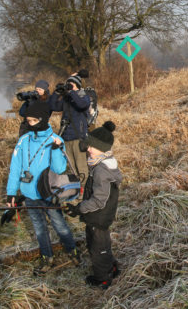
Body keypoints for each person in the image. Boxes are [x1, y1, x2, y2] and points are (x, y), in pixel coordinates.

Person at [6, 101, 80, 275]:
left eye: (32, 120)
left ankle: (72, 250)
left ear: (42, 119)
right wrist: (11, 193)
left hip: (49, 193)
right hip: (29, 193)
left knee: (59, 224)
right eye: (27, 120)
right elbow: (15, 168)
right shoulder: (23, 140)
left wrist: (55, 149)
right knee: (39, 228)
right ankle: (47, 257)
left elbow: (60, 169)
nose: (28, 124)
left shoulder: (55, 139)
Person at [64, 121, 123, 288]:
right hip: (97, 215)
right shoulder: (100, 164)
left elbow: (99, 200)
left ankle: (103, 278)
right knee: (100, 244)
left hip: (99, 216)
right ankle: (111, 267)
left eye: (92, 146)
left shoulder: (101, 171)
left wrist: (79, 208)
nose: (88, 148)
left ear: (102, 148)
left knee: (98, 249)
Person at [50, 73, 91, 186]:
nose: (68, 86)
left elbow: (83, 104)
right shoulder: (67, 98)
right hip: (66, 137)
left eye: (71, 84)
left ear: (77, 85)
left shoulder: (82, 94)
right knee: (71, 167)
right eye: (67, 84)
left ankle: (84, 192)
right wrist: (56, 92)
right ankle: (75, 191)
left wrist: (72, 92)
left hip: (78, 137)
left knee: (81, 166)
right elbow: (54, 106)